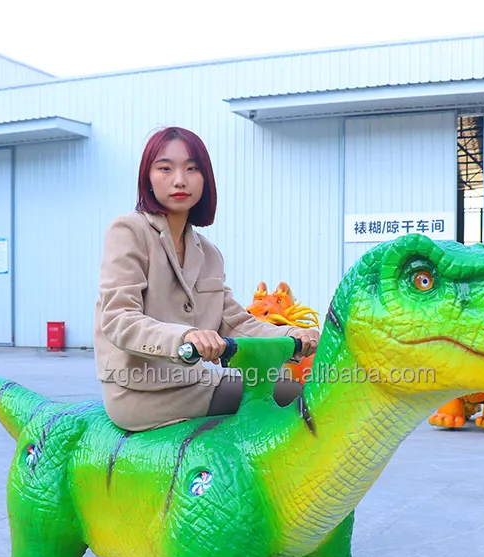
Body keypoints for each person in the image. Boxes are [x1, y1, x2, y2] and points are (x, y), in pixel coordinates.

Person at [94, 126, 319, 432]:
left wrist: (294, 335)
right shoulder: (129, 231)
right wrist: (184, 338)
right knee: (281, 403)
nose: (179, 180)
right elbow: (119, 318)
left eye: (192, 168)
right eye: (165, 168)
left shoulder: (209, 253)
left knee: (295, 392)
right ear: (147, 177)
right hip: (139, 392)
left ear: (205, 179)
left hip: (198, 381)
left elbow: (235, 322)